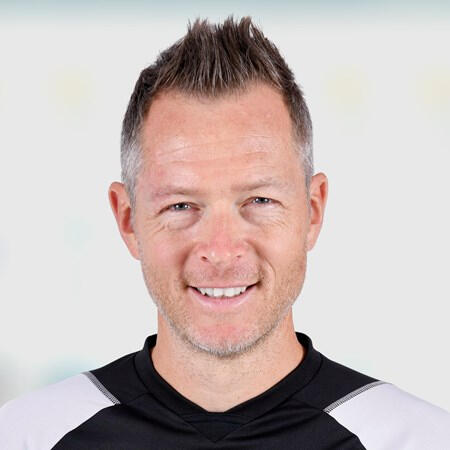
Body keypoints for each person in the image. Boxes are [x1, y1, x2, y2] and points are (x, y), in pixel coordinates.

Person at [0, 16, 449, 450]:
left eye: (259, 201)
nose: (220, 250)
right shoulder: (26, 438)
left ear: (312, 212)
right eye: (181, 206)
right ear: (128, 220)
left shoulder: (418, 441)